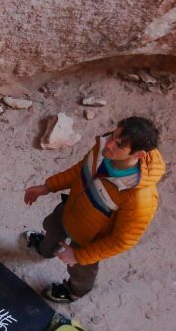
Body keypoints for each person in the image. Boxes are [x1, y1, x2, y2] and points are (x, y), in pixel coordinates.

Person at [22, 116, 164, 302]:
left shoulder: (139, 199)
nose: (110, 144)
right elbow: (80, 170)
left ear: (139, 155)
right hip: (70, 209)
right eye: (114, 135)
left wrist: (79, 255)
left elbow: (122, 241)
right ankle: (45, 250)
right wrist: (48, 186)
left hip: (89, 239)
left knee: (81, 269)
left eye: (120, 145)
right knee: (51, 227)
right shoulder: (104, 149)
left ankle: (74, 291)